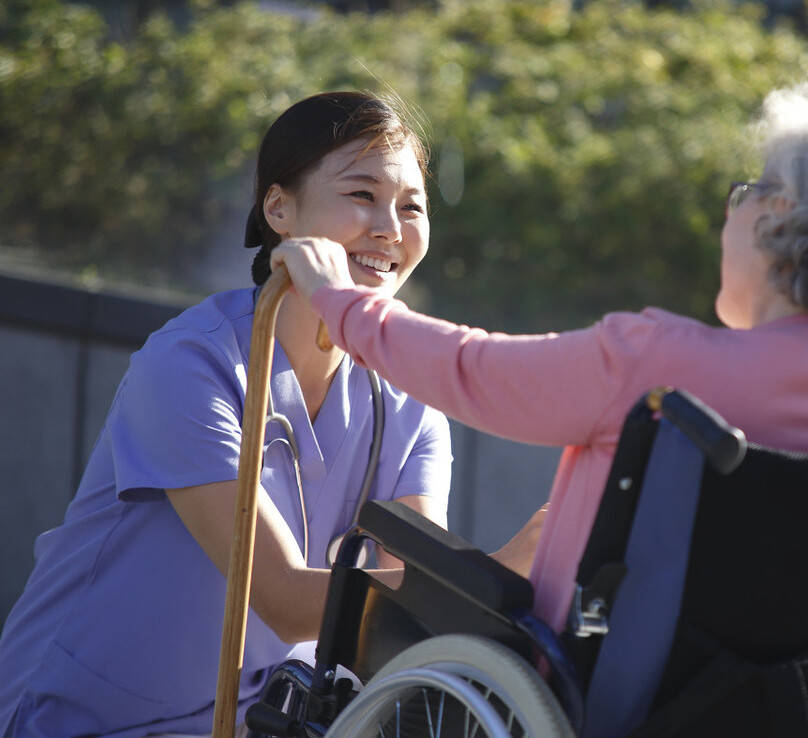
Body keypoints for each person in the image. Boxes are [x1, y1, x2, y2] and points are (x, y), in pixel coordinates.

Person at [272, 80, 808, 637]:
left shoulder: (658, 365)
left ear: (776, 221)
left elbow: (472, 371)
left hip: (610, 700)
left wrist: (343, 302)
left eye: (744, 194)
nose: (729, 214)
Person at [0, 91, 540, 737]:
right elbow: (283, 598)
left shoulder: (408, 401)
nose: (390, 229)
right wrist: (503, 573)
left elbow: (406, 592)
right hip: (72, 721)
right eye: (362, 195)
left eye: (412, 207)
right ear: (278, 209)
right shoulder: (190, 366)